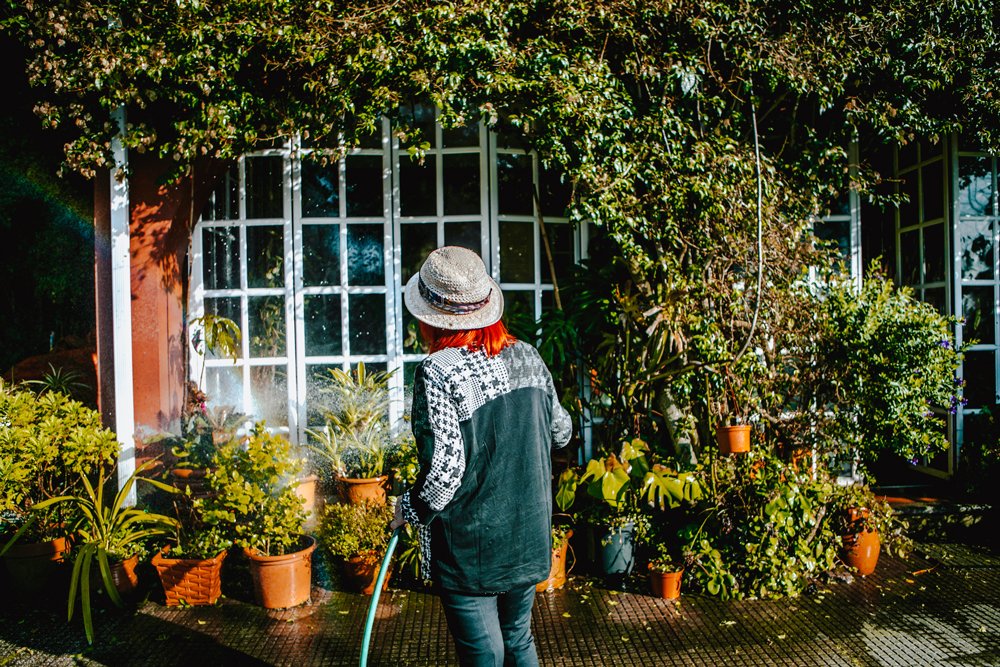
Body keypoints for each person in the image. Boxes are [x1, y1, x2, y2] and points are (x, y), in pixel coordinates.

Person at [391, 246, 573, 667]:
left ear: (430, 317)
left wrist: (407, 508)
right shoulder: (529, 355)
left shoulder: (438, 370)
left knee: (483, 654)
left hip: (473, 548)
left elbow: (445, 474)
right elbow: (561, 432)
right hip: (528, 536)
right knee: (518, 640)